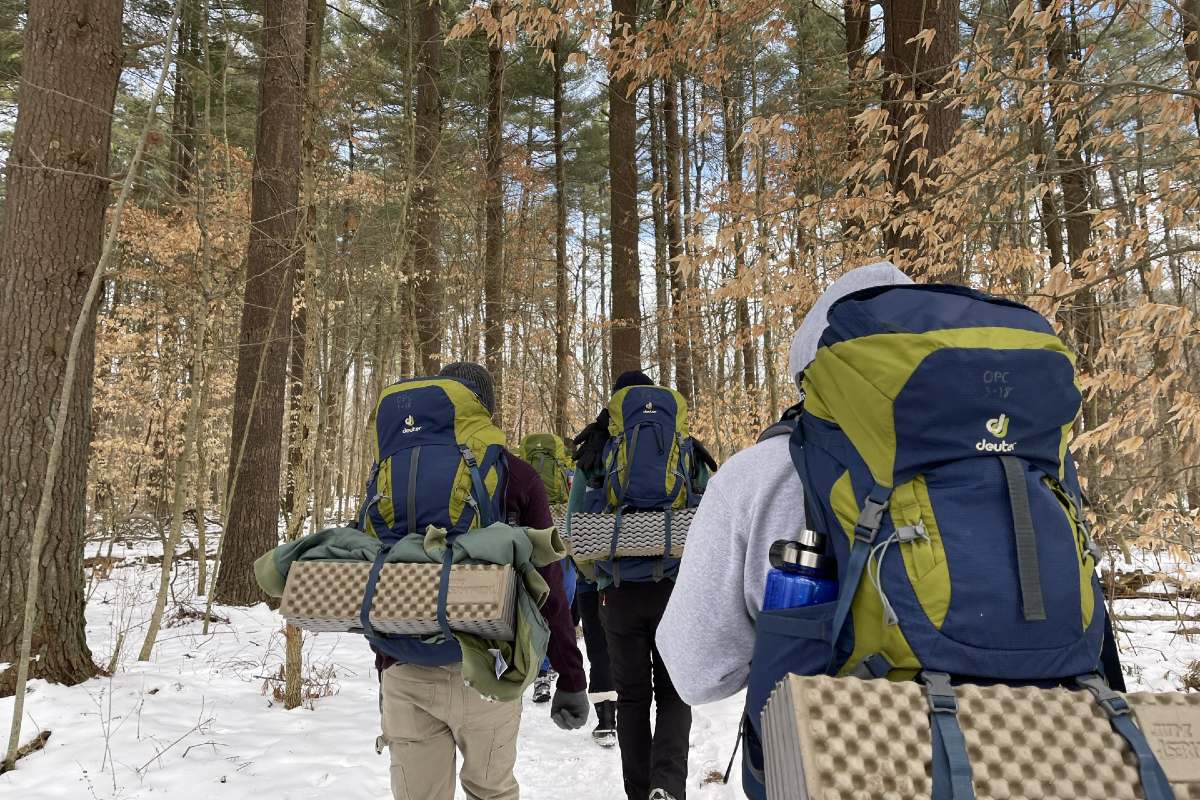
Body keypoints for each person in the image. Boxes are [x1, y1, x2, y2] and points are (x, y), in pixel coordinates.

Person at [655, 262, 913, 797]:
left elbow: (696, 670)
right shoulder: (1018, 468)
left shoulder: (761, 476)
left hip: (831, 769)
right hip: (1006, 756)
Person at [376, 362, 590, 800]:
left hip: (405, 663)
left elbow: (371, 567)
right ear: (484, 411)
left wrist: (385, 661)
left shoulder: (394, 472)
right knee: (490, 793)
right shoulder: (515, 475)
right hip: (489, 667)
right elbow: (548, 586)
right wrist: (571, 676)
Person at [571, 369, 699, 800]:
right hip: (673, 592)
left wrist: (599, 577)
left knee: (631, 699)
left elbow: (576, 528)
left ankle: (639, 791)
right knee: (674, 694)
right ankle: (668, 787)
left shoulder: (598, 450)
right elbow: (709, 516)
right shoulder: (685, 449)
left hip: (620, 593)